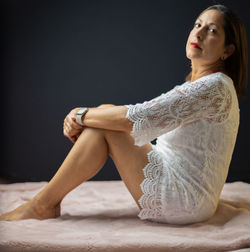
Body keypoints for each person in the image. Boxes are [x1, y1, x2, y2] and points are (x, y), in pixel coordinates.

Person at [0, 4, 248, 224]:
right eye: (198, 24)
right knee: (106, 118)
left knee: (107, 121)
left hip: (185, 200)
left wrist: (80, 116)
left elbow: (141, 116)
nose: (199, 33)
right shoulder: (202, 86)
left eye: (212, 30)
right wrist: (88, 116)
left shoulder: (213, 87)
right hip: (186, 188)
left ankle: (42, 204)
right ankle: (44, 204)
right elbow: (141, 117)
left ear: (227, 51)